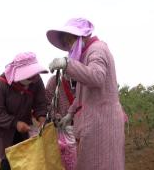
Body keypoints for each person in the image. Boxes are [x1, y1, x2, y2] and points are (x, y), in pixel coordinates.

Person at [47, 18, 125, 170]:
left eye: (68, 42)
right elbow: (84, 93)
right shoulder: (88, 53)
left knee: (102, 164)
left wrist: (68, 64)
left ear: (78, 36)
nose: (68, 47)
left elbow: (97, 77)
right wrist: (70, 114)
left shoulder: (97, 49)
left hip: (102, 121)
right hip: (97, 120)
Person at [0, 52, 48, 170]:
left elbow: (41, 102)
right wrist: (15, 123)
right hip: (5, 131)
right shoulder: (1, 84)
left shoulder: (36, 80)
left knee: (26, 162)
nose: (33, 79)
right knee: (8, 162)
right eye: (29, 77)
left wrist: (42, 118)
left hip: (25, 129)